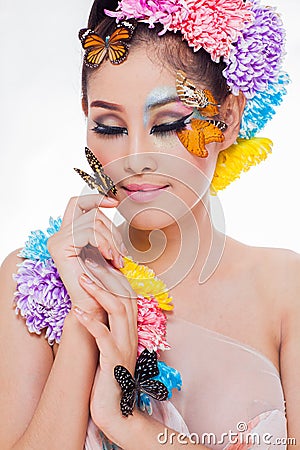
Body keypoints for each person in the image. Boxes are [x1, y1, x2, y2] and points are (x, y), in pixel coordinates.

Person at [0, 1, 299, 449]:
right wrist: (88, 314)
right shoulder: (30, 281)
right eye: (110, 126)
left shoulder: (284, 288)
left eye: (168, 124)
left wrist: (127, 425)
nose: (136, 157)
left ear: (230, 118)